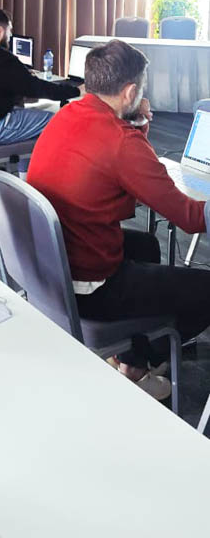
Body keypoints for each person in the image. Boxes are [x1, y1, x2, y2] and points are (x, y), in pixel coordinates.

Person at [27, 38, 210, 400]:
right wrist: (137, 132)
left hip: (49, 267)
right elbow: (191, 217)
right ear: (129, 92)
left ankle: (129, 356)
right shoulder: (121, 141)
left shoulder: (68, 114)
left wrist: (137, 125)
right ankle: (147, 360)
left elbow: (120, 174)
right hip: (88, 287)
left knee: (146, 245)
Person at [0, 7, 81, 145]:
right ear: (0, 31)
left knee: (34, 113)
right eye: (9, 31)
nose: (10, 36)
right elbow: (35, 87)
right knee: (59, 120)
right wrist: (76, 91)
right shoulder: (2, 58)